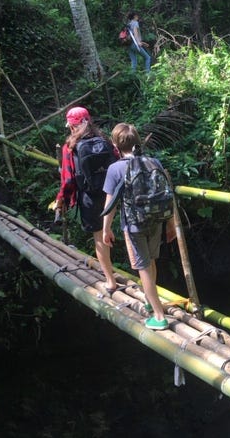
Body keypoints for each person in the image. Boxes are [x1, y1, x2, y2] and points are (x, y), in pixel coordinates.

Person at [102, 123, 169, 330]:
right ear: (137, 142)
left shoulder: (115, 169)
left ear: (115, 144)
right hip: (156, 220)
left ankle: (158, 316)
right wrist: (172, 224)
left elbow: (110, 204)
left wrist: (106, 228)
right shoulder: (153, 162)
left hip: (134, 224)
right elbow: (168, 193)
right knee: (151, 262)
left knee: (143, 267)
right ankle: (150, 301)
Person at [54, 106, 118, 294]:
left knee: (99, 238)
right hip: (111, 195)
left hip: (89, 197)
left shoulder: (70, 147)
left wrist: (62, 200)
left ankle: (110, 281)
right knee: (110, 230)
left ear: (72, 126)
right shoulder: (105, 139)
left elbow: (68, 180)